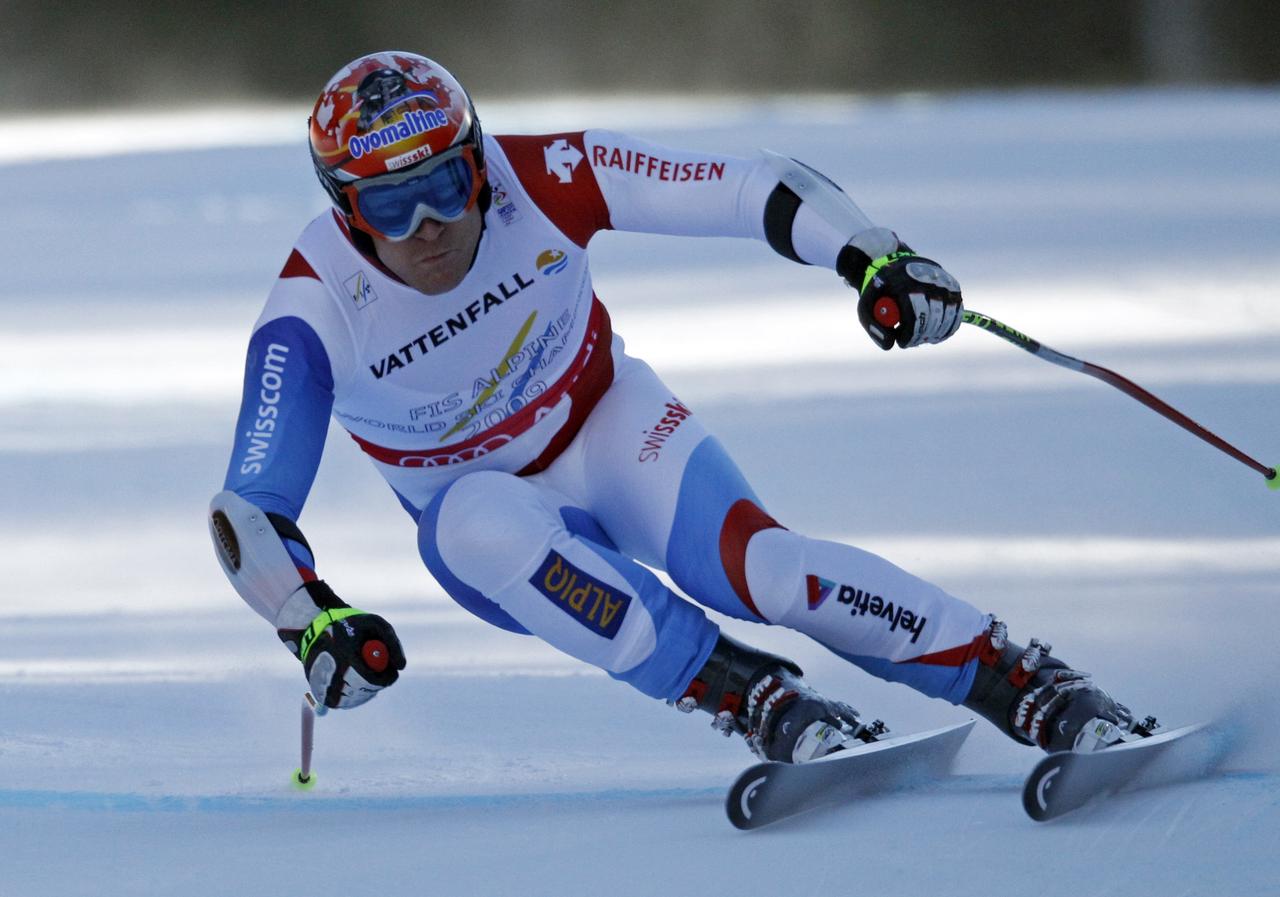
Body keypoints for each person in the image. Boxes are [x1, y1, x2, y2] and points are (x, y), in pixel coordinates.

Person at [209, 51, 1149, 765]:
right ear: (343, 206)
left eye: (447, 188)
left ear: (477, 163)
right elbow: (249, 508)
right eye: (390, 208)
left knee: (768, 572)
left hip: (611, 423)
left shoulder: (540, 174)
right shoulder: (312, 309)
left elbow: (751, 185)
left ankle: (1022, 680)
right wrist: (313, 621)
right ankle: (752, 699)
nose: (431, 231)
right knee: (471, 522)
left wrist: (871, 255)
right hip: (496, 521)